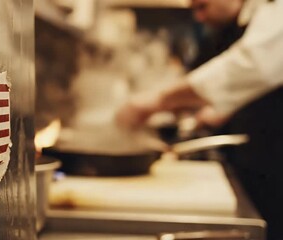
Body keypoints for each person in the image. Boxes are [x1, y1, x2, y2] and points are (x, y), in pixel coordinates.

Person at [117, 0, 283, 239]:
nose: (199, 17)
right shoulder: (237, 25)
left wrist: (156, 100)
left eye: (202, 6)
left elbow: (251, 65)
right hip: (259, 164)